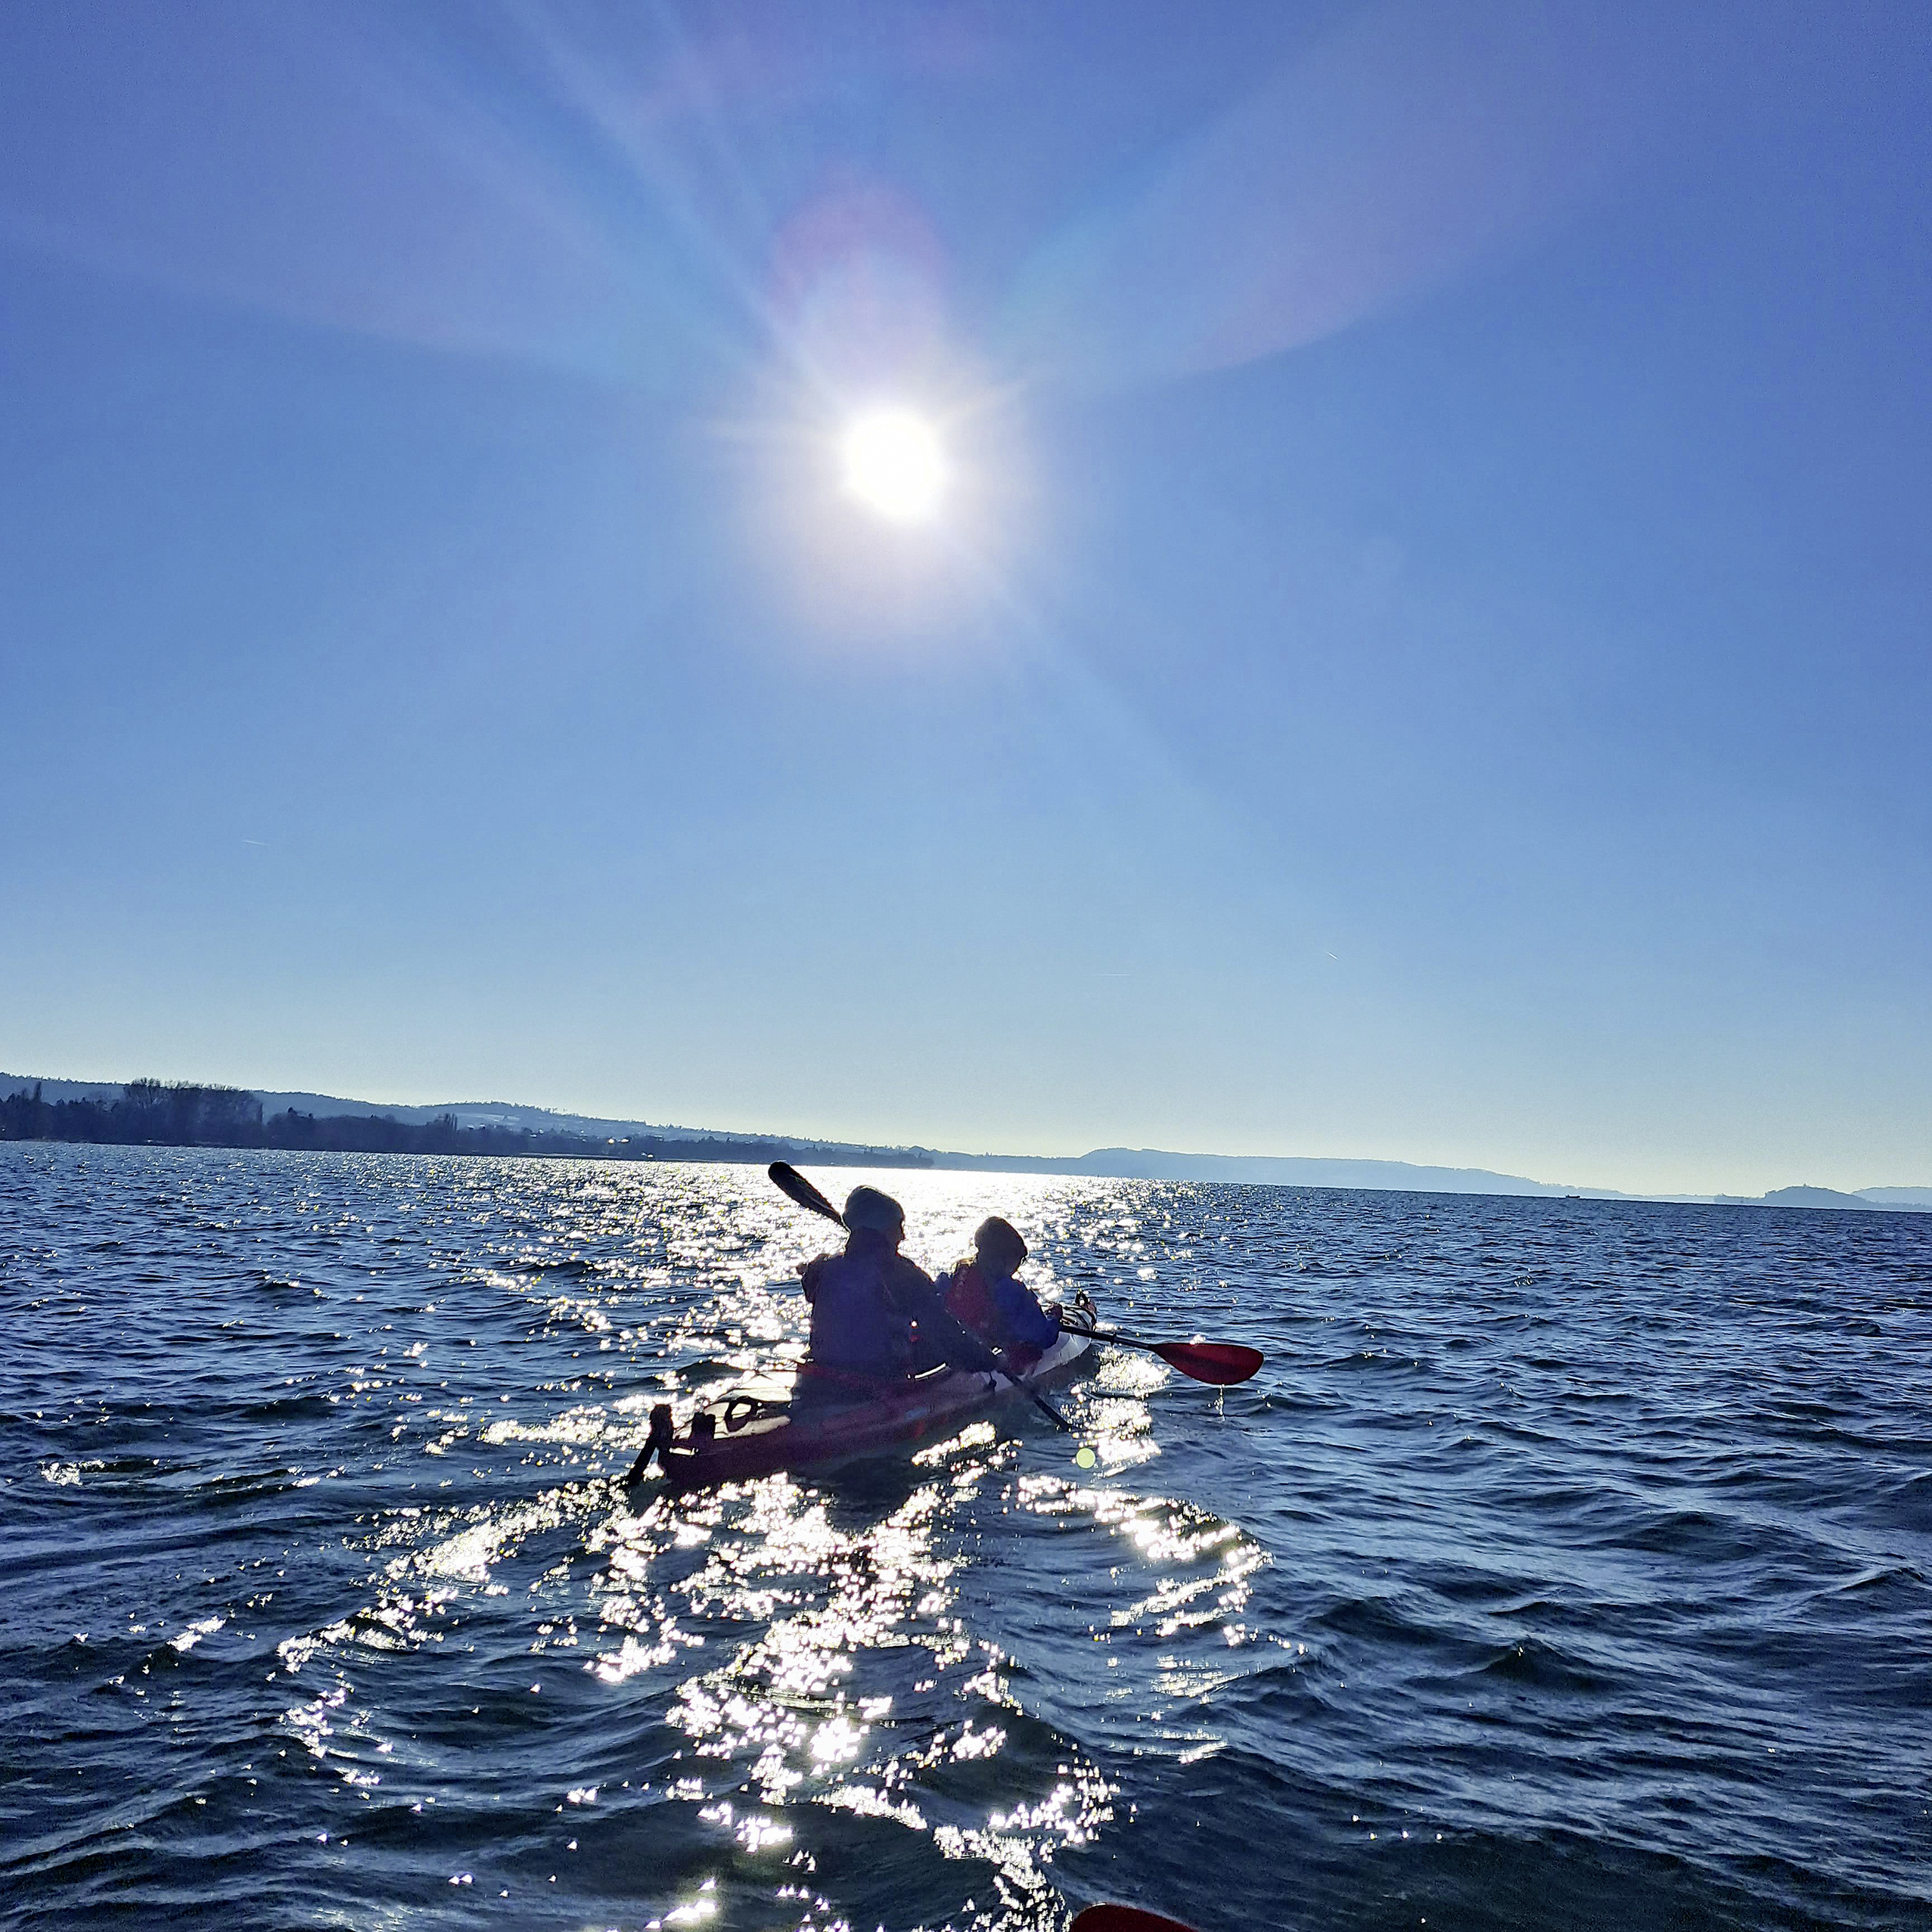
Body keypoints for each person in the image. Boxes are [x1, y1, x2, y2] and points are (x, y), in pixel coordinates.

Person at [796, 1185, 961, 1396]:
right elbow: (944, 1330)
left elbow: (814, 1281)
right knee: (933, 1342)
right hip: (875, 1380)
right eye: (898, 1226)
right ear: (881, 1229)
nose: (903, 1236)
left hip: (822, 1375)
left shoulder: (823, 1267)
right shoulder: (901, 1274)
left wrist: (810, 1269)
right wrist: (989, 1361)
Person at [936, 1216, 1061, 1370]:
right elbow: (1044, 1337)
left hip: (944, 1353)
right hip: (982, 1359)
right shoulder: (1012, 1292)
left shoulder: (952, 1278)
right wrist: (1054, 1319)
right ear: (1003, 1259)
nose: (1017, 1268)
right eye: (1018, 1261)